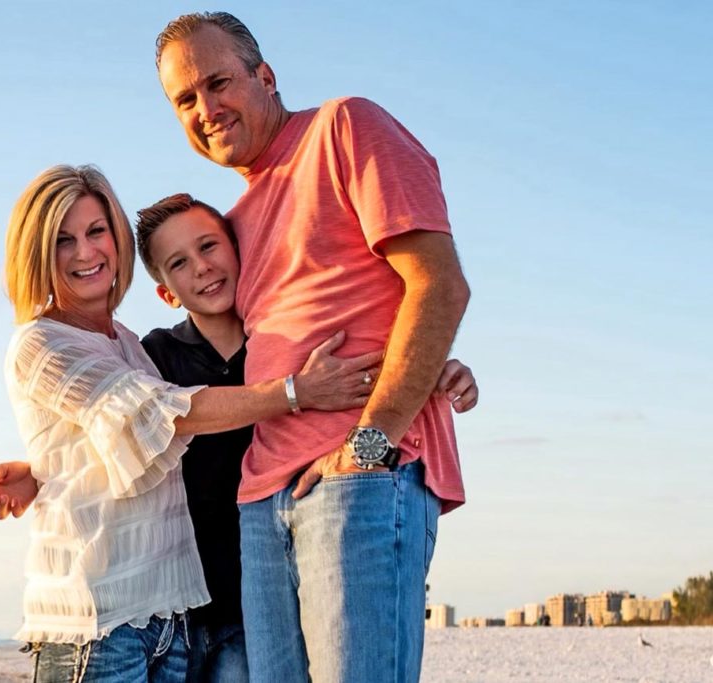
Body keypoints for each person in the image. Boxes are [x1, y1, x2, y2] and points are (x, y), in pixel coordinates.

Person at [155, 12, 473, 683]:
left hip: (357, 477)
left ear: (265, 77)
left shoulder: (345, 127)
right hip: (259, 500)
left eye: (218, 83)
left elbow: (440, 286)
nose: (206, 108)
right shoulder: (232, 224)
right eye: (184, 99)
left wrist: (372, 443)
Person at [0, 164, 377, 682]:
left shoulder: (126, 345)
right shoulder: (41, 341)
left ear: (115, 238)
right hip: (97, 623)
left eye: (96, 232)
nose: (84, 252)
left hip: (168, 619)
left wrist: (41, 469)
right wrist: (296, 391)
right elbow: (162, 413)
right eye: (62, 240)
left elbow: (118, 436)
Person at [133, 193, 479, 683]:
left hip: (264, 590)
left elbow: (383, 357)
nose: (202, 268)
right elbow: (116, 415)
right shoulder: (159, 354)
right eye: (179, 263)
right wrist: (35, 471)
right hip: (188, 606)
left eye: (209, 246)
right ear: (167, 292)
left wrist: (442, 371)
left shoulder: (284, 345)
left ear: (240, 252)